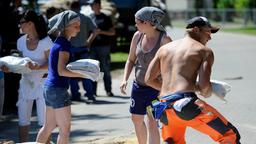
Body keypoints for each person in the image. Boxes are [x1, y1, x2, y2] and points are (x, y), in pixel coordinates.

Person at [145, 16, 241, 144]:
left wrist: (186, 88)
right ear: (196, 30)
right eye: (208, 32)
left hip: (162, 106)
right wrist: (210, 90)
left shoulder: (164, 49)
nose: (210, 37)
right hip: (186, 105)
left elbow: (148, 79)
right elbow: (204, 88)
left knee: (173, 141)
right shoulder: (204, 51)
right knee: (230, 136)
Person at [120, 7, 172, 144]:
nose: (135, 25)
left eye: (137, 22)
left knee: (152, 122)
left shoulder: (164, 40)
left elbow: (170, 68)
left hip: (155, 88)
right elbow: (130, 59)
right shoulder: (137, 36)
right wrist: (125, 79)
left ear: (148, 23)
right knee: (136, 119)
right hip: (138, 86)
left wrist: (164, 89)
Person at [1, 10, 53, 143]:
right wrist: (10, 68)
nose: (20, 25)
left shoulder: (46, 41)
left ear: (30, 23)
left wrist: (38, 68)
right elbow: (19, 63)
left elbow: (52, 65)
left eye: (21, 22)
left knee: (44, 123)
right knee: (23, 120)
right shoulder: (20, 42)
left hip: (43, 84)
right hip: (25, 83)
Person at [35, 10, 82, 144]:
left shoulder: (58, 42)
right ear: (66, 26)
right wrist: (84, 74)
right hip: (57, 89)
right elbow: (61, 71)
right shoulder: (64, 44)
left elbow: (54, 69)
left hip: (49, 88)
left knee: (48, 126)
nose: (78, 29)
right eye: (76, 26)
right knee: (65, 129)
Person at [69, 0, 97, 102]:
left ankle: (75, 95)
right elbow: (95, 30)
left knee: (72, 74)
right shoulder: (85, 18)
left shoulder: (69, 19)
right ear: (79, 7)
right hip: (83, 49)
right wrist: (89, 41)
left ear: (71, 8)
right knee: (85, 73)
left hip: (71, 49)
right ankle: (90, 95)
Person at [88, 0, 115, 97]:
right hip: (93, 48)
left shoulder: (106, 18)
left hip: (104, 47)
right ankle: (93, 92)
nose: (92, 6)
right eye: (91, 5)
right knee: (94, 70)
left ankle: (108, 90)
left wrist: (101, 32)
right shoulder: (90, 18)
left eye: (94, 5)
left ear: (98, 5)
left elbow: (112, 32)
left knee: (105, 69)